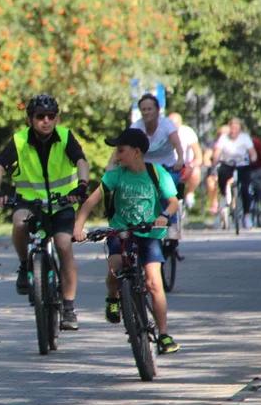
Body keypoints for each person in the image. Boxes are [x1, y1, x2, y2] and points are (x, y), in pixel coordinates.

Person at [73, 128, 181, 355]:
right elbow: (90, 203)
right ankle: (113, 298)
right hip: (121, 232)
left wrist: (163, 216)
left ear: (137, 152)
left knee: (154, 283)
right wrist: (78, 228)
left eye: (121, 150)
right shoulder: (115, 175)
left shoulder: (156, 172)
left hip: (149, 233)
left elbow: (173, 202)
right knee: (115, 268)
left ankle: (163, 334)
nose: (117, 155)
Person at [0, 93, 89, 330]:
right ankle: (25, 265)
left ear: (57, 118)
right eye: (40, 116)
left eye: (50, 116)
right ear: (30, 120)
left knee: (64, 244)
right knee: (19, 222)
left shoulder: (65, 137)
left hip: (62, 202)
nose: (46, 121)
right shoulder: (20, 140)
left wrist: (82, 185)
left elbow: (81, 161)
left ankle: (69, 308)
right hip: (30, 203)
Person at [120, 95, 184, 238]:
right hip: (144, 168)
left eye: (150, 109)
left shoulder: (166, 124)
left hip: (167, 166)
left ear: (157, 110)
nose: (147, 112)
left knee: (168, 189)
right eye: (143, 109)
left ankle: (171, 223)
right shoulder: (136, 127)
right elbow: (122, 145)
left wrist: (180, 159)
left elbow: (177, 144)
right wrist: (112, 164)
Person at [212, 118, 258, 227]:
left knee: (246, 189)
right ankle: (224, 195)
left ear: (240, 129)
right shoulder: (223, 138)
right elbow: (217, 152)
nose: (233, 131)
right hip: (227, 163)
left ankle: (247, 216)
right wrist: (215, 160)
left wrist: (253, 158)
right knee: (222, 173)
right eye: (231, 128)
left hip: (242, 164)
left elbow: (252, 153)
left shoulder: (245, 138)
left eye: (236, 128)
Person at [168, 112, 202, 209]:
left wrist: (196, 162)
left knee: (195, 171)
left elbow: (198, 153)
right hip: (169, 164)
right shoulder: (163, 133)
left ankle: (190, 194)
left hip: (186, 165)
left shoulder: (187, 132)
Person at [204, 124, 231, 215]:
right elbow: (207, 155)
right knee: (211, 181)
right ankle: (214, 202)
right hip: (217, 168)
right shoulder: (214, 144)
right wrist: (207, 161)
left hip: (230, 168)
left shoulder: (233, 143)